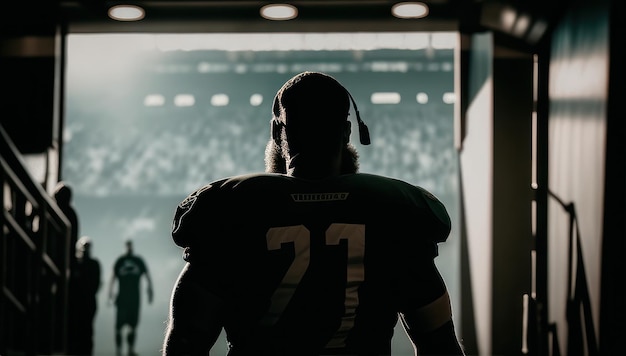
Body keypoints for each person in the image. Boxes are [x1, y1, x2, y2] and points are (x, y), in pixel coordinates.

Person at [162, 71, 465, 355]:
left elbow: (187, 342)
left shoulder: (229, 211)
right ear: (347, 131)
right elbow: (438, 341)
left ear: (276, 131)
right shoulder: (396, 212)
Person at [108, 239, 154, 356]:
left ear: (132, 247)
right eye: (127, 246)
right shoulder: (120, 261)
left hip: (134, 299)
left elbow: (147, 275)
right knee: (119, 326)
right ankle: (118, 352)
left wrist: (150, 291)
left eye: (130, 246)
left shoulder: (138, 261)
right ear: (125, 247)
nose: (129, 248)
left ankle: (130, 350)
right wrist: (110, 294)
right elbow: (113, 277)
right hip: (122, 299)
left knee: (133, 326)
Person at [67, 236, 101, 355]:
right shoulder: (74, 264)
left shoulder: (92, 265)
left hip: (86, 305)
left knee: (86, 333)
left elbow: (94, 286)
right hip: (79, 305)